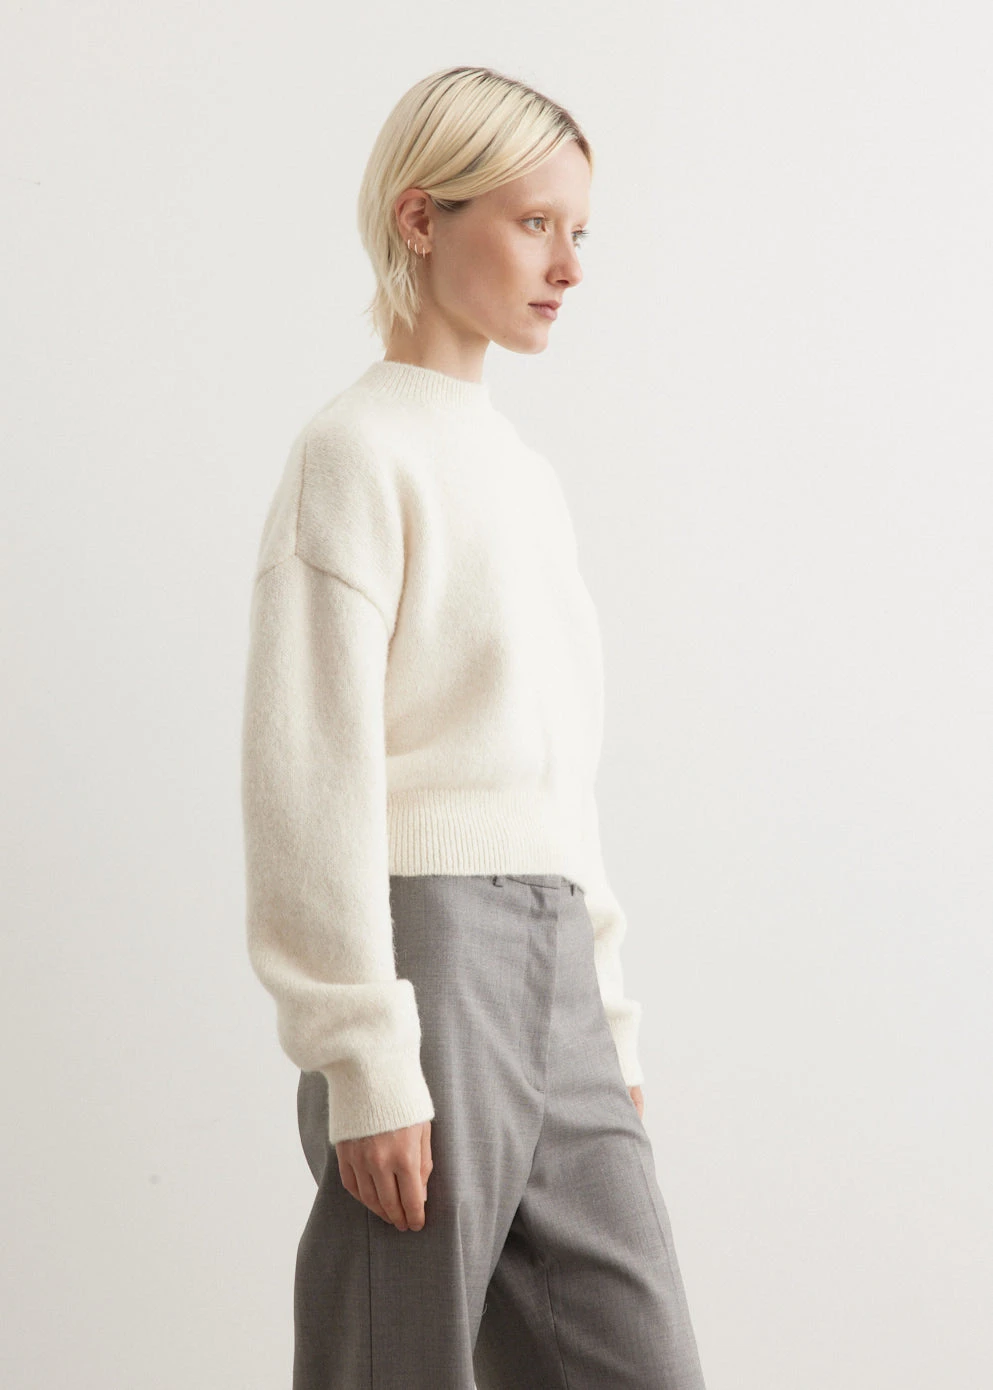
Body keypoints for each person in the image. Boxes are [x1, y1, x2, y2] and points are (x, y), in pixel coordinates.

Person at [240, 63, 708, 1390]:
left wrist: (606, 1024)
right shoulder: (354, 453)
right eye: (534, 223)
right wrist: (364, 1061)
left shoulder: (528, 479)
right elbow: (306, 780)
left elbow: (558, 778)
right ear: (420, 218)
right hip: (426, 959)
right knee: (396, 1359)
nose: (569, 266)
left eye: (579, 231)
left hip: (559, 977)